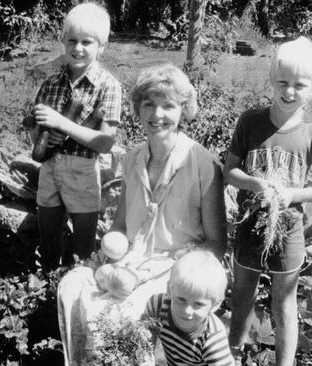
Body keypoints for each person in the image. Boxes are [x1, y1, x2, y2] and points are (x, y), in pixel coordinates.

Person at [57, 62, 226, 365]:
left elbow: (216, 244)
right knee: (72, 286)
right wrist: (109, 252)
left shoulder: (203, 163)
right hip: (131, 259)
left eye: (168, 106)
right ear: (138, 108)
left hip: (177, 267)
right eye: (149, 104)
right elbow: (121, 224)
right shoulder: (133, 157)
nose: (157, 114)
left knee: (130, 310)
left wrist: (183, 275)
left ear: (183, 111)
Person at [223, 36, 312, 366]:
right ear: (272, 80)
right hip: (251, 223)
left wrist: (293, 195)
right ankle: (230, 356)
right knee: (242, 294)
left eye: (299, 85)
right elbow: (230, 171)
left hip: (289, 229)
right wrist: (254, 183)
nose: (289, 92)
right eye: (283, 82)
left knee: (283, 302)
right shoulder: (250, 121)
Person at [29, 2, 123, 268]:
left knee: (83, 243)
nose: (78, 48)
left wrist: (64, 125)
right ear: (63, 41)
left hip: (83, 170)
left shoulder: (109, 86)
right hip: (49, 167)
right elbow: (36, 132)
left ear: (102, 46)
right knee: (48, 234)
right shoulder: (51, 83)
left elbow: (105, 143)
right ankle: (47, 282)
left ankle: (79, 283)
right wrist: (42, 134)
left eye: (87, 42)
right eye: (72, 40)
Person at [141, 250, 234, 366]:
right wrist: (146, 358)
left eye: (198, 304)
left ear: (215, 305)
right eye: (181, 300)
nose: (187, 311)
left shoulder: (213, 340)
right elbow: (145, 335)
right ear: (169, 290)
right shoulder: (157, 305)